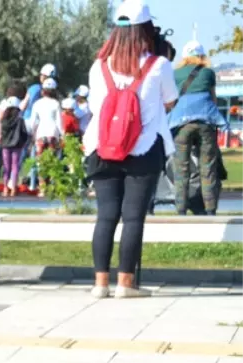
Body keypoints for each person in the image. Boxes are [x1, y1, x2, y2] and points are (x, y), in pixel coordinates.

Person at [83, 0, 178, 299]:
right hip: (144, 148)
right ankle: (126, 283)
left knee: (106, 215)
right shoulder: (158, 65)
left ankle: (100, 284)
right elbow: (170, 100)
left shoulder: (98, 67)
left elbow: (94, 107)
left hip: (101, 148)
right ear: (147, 29)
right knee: (133, 217)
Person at [169, 39, 225, 215]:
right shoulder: (208, 73)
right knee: (207, 168)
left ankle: (181, 210)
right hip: (205, 123)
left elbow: (170, 100)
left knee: (181, 169)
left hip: (181, 125)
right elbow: (213, 99)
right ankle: (210, 210)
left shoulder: (175, 74)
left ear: (184, 56)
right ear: (202, 55)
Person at [0, 83, 30, 196]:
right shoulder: (20, 117)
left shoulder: (3, 120)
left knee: (6, 167)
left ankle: (5, 188)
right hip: (17, 144)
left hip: (6, 145)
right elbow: (25, 132)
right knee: (15, 166)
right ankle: (14, 189)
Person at [30, 78, 64, 156]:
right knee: (52, 160)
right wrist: (62, 135)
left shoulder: (37, 104)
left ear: (43, 91)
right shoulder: (56, 103)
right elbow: (59, 123)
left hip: (40, 133)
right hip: (53, 133)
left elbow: (33, 123)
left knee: (40, 160)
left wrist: (32, 134)